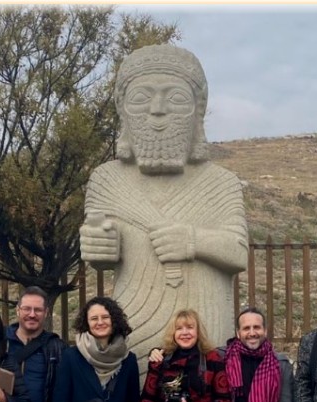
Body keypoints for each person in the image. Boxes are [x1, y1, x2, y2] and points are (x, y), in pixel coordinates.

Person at [80, 44, 248, 366]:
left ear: (198, 113)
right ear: (123, 111)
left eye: (176, 100)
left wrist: (193, 241)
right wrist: (97, 244)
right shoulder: (106, 180)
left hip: (204, 328)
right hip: (133, 329)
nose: (158, 110)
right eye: (142, 98)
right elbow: (97, 252)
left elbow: (239, 252)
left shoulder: (221, 182)